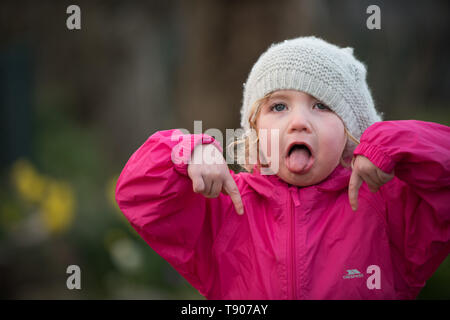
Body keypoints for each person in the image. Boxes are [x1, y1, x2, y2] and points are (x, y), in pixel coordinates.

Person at [115, 36, 450, 299]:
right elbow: (137, 195)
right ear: (255, 131)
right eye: (278, 106)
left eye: (321, 105)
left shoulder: (386, 204)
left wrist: (388, 143)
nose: (298, 122)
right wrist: (185, 154)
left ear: (351, 133)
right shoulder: (227, 209)